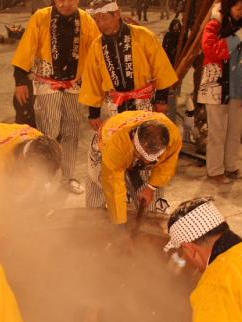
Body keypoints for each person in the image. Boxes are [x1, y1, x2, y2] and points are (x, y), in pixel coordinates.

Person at [12, 0, 99, 195]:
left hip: (75, 83)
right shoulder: (41, 17)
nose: (66, 4)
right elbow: (26, 48)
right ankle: (44, 177)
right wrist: (20, 80)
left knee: (71, 131)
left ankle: (67, 177)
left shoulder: (86, 19)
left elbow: (96, 51)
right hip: (47, 81)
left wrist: (97, 82)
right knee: (48, 131)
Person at [199, 0, 242, 182]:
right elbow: (211, 50)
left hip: (239, 87)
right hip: (217, 88)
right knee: (218, 132)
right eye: (238, 9)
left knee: (234, 131)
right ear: (228, 7)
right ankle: (215, 170)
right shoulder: (214, 24)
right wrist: (235, 38)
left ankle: (230, 166)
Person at [79, 0, 179, 128]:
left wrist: (161, 99)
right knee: (120, 143)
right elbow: (92, 81)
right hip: (114, 105)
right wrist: (93, 113)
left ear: (117, 14)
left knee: (143, 143)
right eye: (96, 20)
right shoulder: (96, 46)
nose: (100, 24)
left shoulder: (144, 36)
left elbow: (161, 68)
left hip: (144, 101)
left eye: (104, 18)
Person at [85, 110, 182, 224]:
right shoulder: (114, 145)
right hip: (105, 149)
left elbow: (167, 164)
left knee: (150, 209)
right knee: (97, 206)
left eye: (152, 158)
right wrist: (120, 224)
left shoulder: (173, 136)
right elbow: (114, 188)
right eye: (142, 155)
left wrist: (151, 187)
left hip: (134, 153)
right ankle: (94, 224)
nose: (146, 160)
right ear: (134, 142)